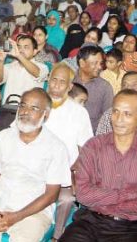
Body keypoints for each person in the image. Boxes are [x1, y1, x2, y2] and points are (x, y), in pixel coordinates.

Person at [0, 88, 71, 241]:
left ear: (45, 114)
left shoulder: (56, 147)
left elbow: (51, 195)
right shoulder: (3, 137)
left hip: (33, 213)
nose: (25, 111)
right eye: (23, 105)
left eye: (34, 108)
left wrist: (16, 217)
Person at [60, 90, 137, 242]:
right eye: (115, 112)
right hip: (90, 221)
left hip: (128, 227)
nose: (119, 120)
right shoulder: (93, 146)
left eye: (127, 114)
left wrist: (102, 199)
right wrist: (128, 195)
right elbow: (83, 194)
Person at [42, 64, 94, 240]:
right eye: (53, 80)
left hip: (64, 171)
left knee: (67, 200)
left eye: (62, 82)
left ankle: (57, 236)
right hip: (34, 166)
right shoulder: (36, 103)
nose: (56, 85)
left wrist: (76, 172)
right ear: (48, 81)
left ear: (70, 86)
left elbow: (86, 148)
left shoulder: (79, 112)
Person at [0, 36, 50, 104]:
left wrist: (18, 55)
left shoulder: (42, 67)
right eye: (19, 47)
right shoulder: (10, 66)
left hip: (30, 110)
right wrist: (1, 61)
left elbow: (37, 73)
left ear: (35, 52)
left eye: (26, 47)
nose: (21, 50)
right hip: (9, 109)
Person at [73, 45, 114, 131]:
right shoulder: (68, 81)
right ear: (82, 63)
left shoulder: (105, 87)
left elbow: (108, 119)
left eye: (100, 63)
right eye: (95, 63)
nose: (100, 67)